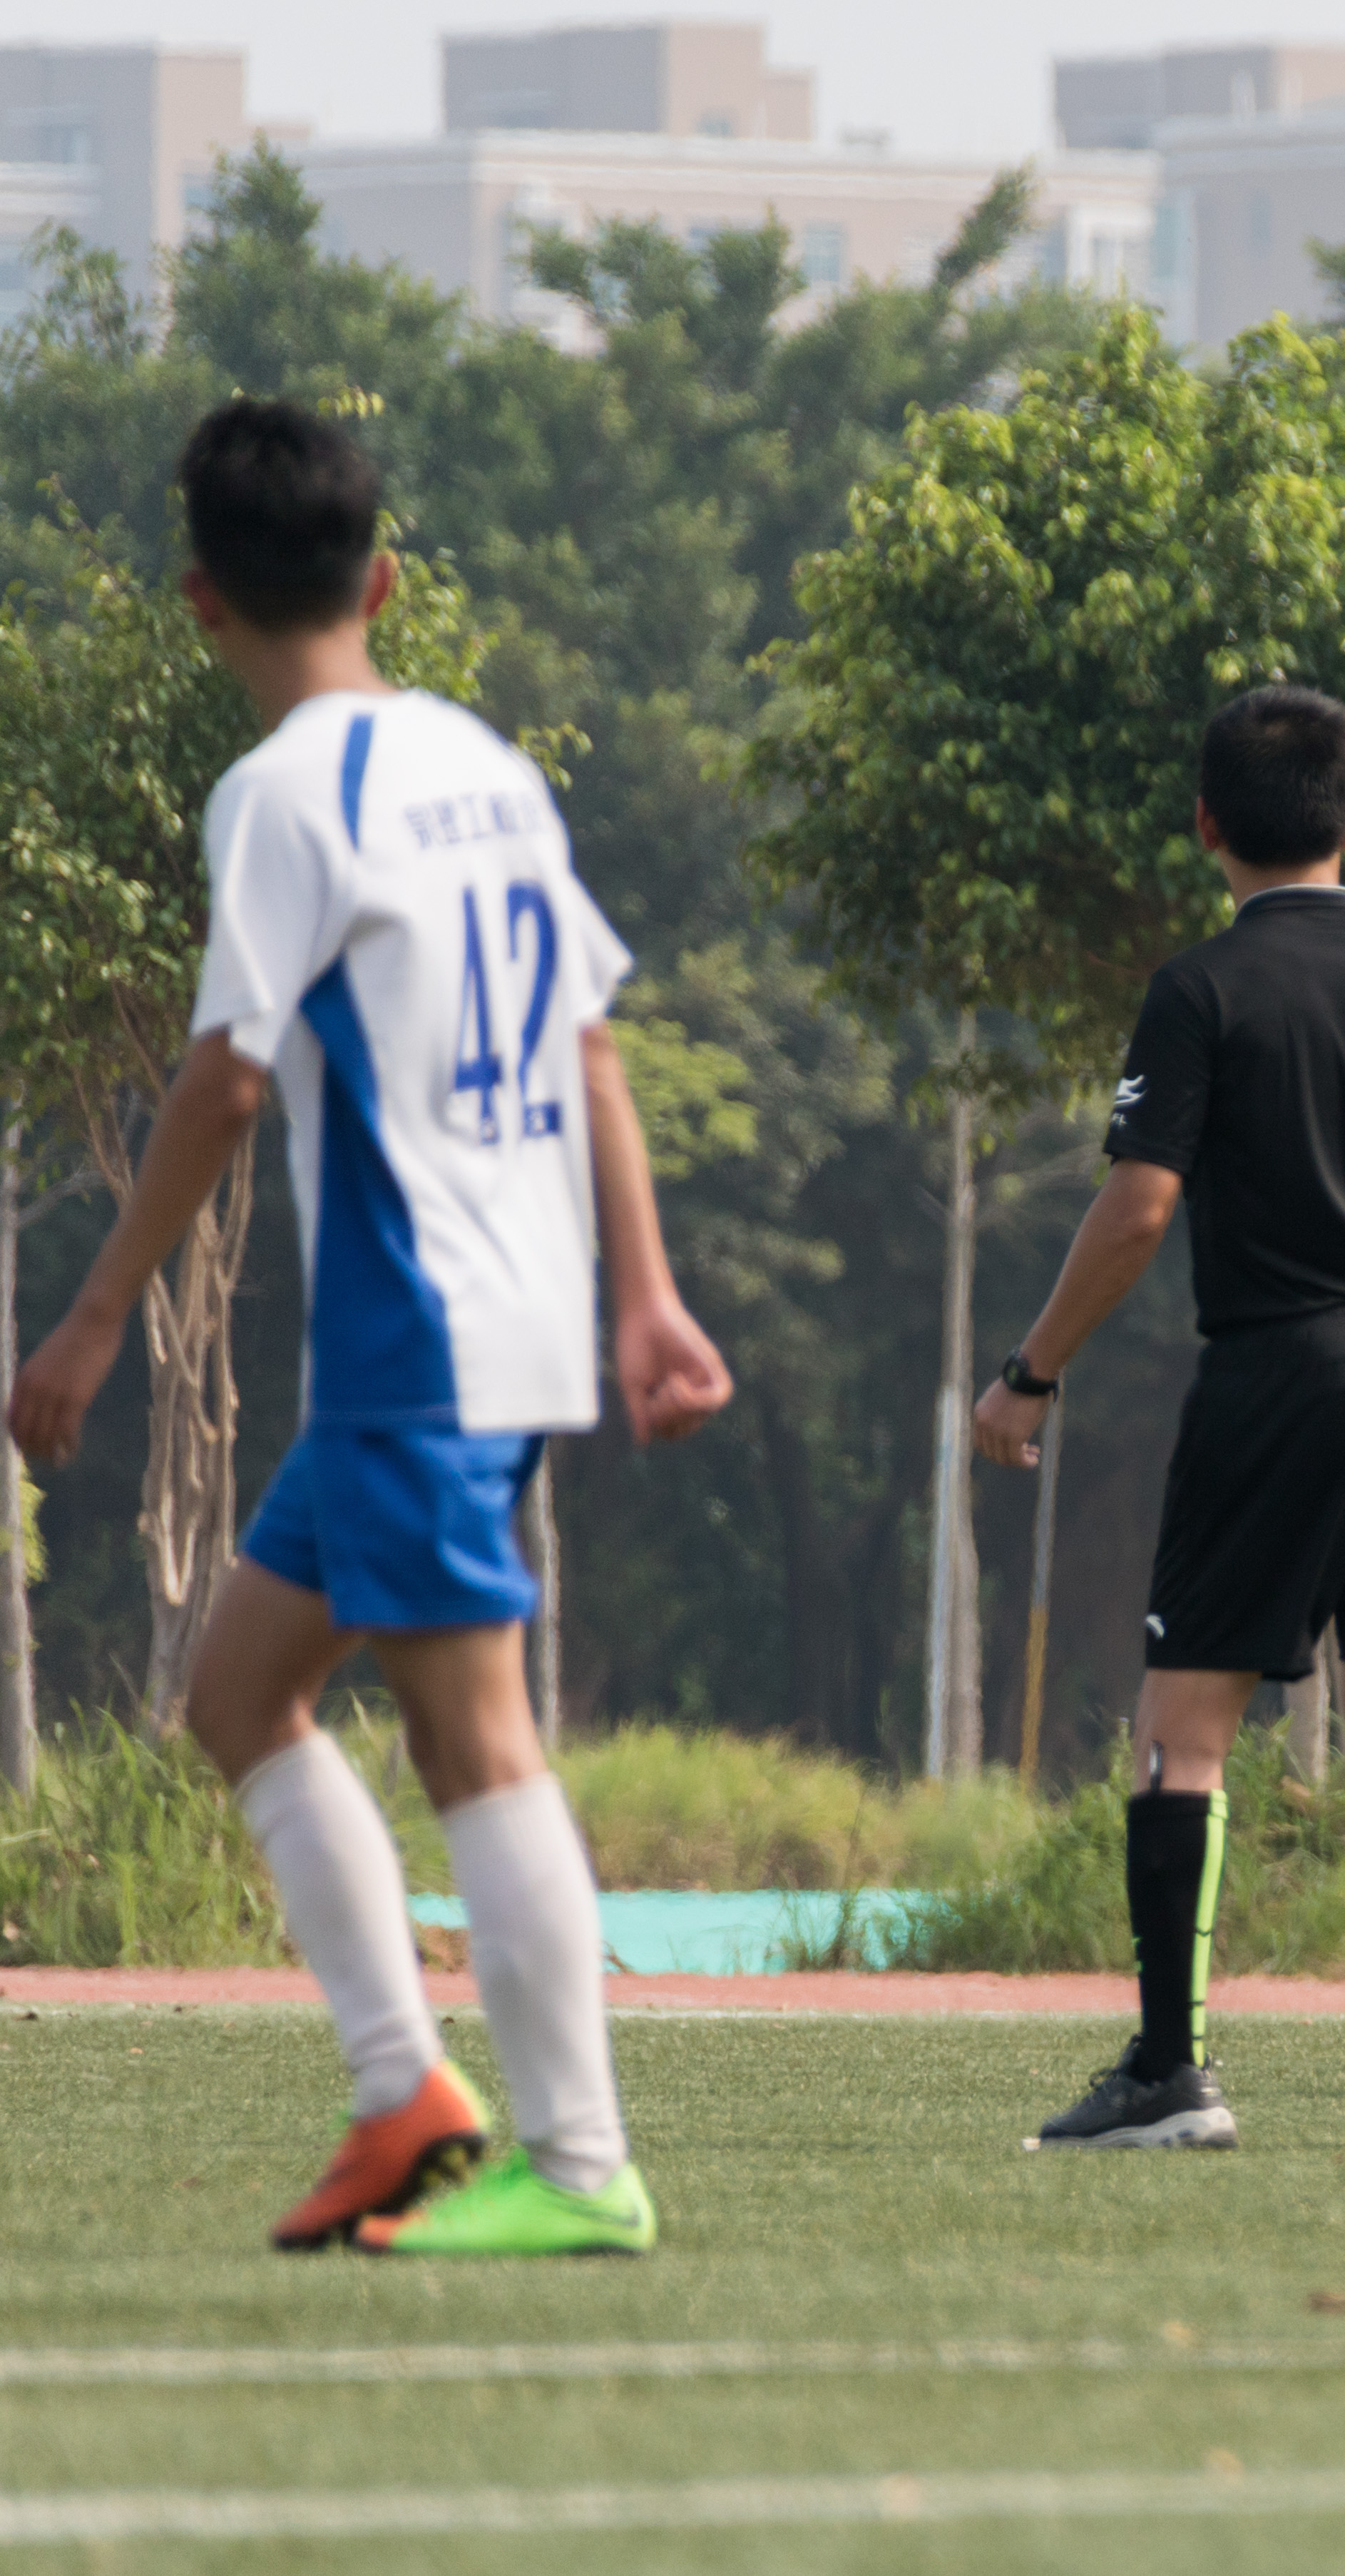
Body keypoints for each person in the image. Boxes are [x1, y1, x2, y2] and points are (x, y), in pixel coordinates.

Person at [6, 399, 737, 2254]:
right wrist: (644, 1293)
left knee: (473, 1738)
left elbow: (225, 1080)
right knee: (236, 1691)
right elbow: (589, 1044)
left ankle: (580, 2164)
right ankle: (404, 2094)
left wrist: (93, 1316)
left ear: (198, 600)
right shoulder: (484, 764)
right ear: (386, 578)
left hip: (423, 1330)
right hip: (493, 1317)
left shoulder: (279, 792)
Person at [973, 685, 1345, 2152]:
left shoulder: (1201, 989)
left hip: (1282, 1369)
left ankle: (1171, 2072)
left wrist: (1032, 1370)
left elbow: (1138, 1207)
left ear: (1205, 825)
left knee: (1184, 1725)